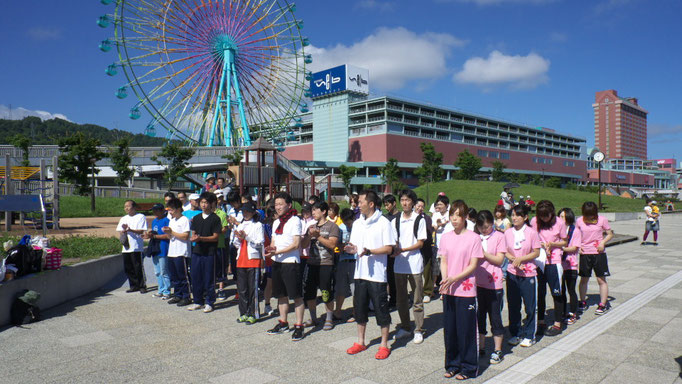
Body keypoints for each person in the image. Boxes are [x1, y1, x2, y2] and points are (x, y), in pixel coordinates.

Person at [345, 190, 397, 360]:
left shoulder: (383, 222)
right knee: (359, 309)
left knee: (381, 310)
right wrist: (351, 249)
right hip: (360, 273)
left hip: (377, 275)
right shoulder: (358, 223)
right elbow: (355, 245)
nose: (358, 205)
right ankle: (360, 341)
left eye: (360, 202)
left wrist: (369, 252)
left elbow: (389, 248)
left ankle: (384, 344)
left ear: (371, 204)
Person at [438, 200, 483, 380]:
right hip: (449, 289)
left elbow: (473, 265)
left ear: (465, 217)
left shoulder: (473, 238)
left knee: (466, 330)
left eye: (458, 215)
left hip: (465, 290)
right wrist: (445, 279)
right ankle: (452, 364)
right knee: (450, 330)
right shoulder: (446, 237)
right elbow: (444, 260)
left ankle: (469, 367)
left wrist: (455, 278)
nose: (454, 219)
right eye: (452, 215)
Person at [265, 192, 306, 341]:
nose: (278, 207)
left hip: (290, 263)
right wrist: (270, 250)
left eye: (280, 204)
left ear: (289, 205)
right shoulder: (276, 222)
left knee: (296, 296)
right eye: (276, 205)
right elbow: (273, 242)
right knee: (281, 295)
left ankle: (299, 326)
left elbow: (296, 244)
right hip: (277, 261)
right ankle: (283, 323)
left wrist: (277, 251)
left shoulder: (295, 220)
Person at [391, 189, 428, 344]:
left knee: (417, 298)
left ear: (413, 202)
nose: (405, 203)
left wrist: (403, 249)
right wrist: (394, 249)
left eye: (407, 200)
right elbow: (393, 240)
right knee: (401, 299)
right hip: (399, 264)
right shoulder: (396, 220)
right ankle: (406, 327)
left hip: (414, 264)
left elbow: (420, 242)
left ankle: (418, 329)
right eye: (402, 200)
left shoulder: (419, 219)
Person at [505, 205, 541, 348]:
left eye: (517, 215)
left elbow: (536, 252)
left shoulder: (532, 233)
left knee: (530, 306)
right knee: (513, 305)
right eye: (512, 215)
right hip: (512, 272)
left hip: (528, 273)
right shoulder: (507, 233)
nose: (514, 218)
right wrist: (515, 260)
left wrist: (522, 259)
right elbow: (504, 251)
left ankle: (529, 334)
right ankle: (516, 333)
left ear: (525, 217)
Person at [530, 200, 568, 337]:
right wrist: (540, 244)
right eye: (542, 216)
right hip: (539, 261)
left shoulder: (560, 223)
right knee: (539, 292)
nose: (544, 218)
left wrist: (553, 244)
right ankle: (540, 321)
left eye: (547, 216)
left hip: (554, 260)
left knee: (556, 292)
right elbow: (531, 238)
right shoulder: (535, 221)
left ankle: (558, 323)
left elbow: (564, 241)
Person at [474, 210, 507, 365]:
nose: (484, 230)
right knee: (479, 316)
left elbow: (499, 260)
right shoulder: (475, 237)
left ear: (492, 222)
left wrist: (483, 253)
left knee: (495, 317)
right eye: (481, 227)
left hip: (494, 284)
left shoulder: (499, 236)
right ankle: (480, 347)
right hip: (477, 282)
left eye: (486, 226)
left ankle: (498, 349)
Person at [301, 201, 340, 330]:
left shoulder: (332, 227)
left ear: (323, 211)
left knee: (326, 291)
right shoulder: (311, 226)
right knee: (310, 292)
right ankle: (313, 318)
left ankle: (329, 318)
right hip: (312, 263)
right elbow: (304, 245)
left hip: (326, 263)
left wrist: (318, 236)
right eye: (312, 210)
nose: (313, 212)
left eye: (315, 210)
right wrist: (308, 235)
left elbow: (332, 245)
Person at [577, 202, 614, 315]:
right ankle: (582, 301)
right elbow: (576, 235)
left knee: (601, 279)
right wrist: (578, 246)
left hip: (598, 253)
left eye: (591, 215)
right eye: (587, 215)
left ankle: (602, 304)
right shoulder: (579, 220)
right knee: (584, 279)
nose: (589, 217)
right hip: (585, 253)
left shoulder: (602, 220)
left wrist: (603, 242)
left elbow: (610, 234)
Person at [187, 192, 222, 313]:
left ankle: (209, 302)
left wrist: (201, 238)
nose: (203, 205)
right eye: (202, 202)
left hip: (210, 252)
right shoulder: (196, 218)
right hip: (197, 251)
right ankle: (197, 301)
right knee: (196, 277)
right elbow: (194, 233)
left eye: (206, 202)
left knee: (209, 278)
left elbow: (215, 237)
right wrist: (194, 237)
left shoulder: (215, 219)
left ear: (212, 204)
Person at [233, 201, 264, 324]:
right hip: (241, 259)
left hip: (253, 260)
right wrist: (239, 238)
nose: (245, 214)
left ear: (253, 212)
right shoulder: (240, 225)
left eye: (248, 211)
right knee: (242, 289)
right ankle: (244, 313)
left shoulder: (258, 225)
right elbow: (235, 244)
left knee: (253, 289)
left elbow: (260, 243)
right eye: (243, 211)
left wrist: (247, 237)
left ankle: (254, 313)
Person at [164, 198, 192, 307]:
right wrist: (168, 233)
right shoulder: (172, 220)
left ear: (178, 209)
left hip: (181, 252)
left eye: (171, 210)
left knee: (183, 276)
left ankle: (186, 296)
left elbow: (185, 236)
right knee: (174, 276)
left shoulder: (184, 219)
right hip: (172, 251)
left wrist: (172, 232)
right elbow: (171, 236)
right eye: (169, 210)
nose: (170, 212)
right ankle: (178, 294)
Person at [116, 200, 148, 293]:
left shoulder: (140, 217)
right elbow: (119, 230)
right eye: (125, 206)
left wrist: (130, 230)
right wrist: (123, 231)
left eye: (128, 206)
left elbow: (141, 231)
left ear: (133, 207)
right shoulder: (123, 218)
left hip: (136, 246)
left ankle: (142, 285)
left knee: (138, 266)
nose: (126, 208)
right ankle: (133, 285)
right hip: (126, 247)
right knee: (128, 267)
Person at [558, 207, 581, 325]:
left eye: (563, 216)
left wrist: (562, 248)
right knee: (561, 290)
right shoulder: (557, 229)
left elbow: (575, 247)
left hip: (571, 264)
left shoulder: (575, 230)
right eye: (560, 216)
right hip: (559, 264)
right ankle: (562, 312)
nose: (561, 219)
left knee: (571, 289)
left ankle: (573, 313)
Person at [334, 208, 357, 322]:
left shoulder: (358, 227)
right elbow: (336, 243)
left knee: (354, 287)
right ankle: (337, 311)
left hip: (355, 260)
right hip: (343, 259)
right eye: (345, 221)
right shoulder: (340, 228)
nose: (347, 224)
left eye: (349, 221)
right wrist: (341, 246)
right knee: (341, 287)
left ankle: (355, 312)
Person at [145, 204, 171, 299]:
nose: (154, 213)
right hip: (155, 248)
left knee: (164, 271)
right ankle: (160, 289)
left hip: (163, 248)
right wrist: (150, 234)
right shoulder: (154, 221)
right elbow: (155, 232)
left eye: (157, 210)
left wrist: (155, 236)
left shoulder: (166, 221)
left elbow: (168, 235)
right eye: (153, 210)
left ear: (162, 211)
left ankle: (167, 291)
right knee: (157, 271)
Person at [415, 198, 435, 303]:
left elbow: (429, 232)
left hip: (425, 247)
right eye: (418, 206)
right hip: (413, 248)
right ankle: (417, 292)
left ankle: (427, 292)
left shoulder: (427, 218)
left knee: (427, 270)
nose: (420, 208)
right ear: (414, 206)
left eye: (422, 206)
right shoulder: (411, 217)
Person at [213, 191, 230, 302]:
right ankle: (211, 288)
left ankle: (221, 288)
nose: (219, 200)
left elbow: (225, 228)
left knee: (221, 267)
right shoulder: (205, 213)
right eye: (217, 198)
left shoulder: (222, 213)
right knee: (211, 268)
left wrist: (215, 232)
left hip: (219, 244)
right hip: (208, 245)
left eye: (220, 198)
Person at [383, 194, 399, 308]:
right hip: (388, 250)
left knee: (398, 276)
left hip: (399, 249)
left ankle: (400, 298)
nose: (386, 207)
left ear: (394, 203)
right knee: (389, 276)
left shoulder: (400, 216)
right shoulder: (384, 218)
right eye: (384, 204)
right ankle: (392, 298)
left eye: (388, 204)